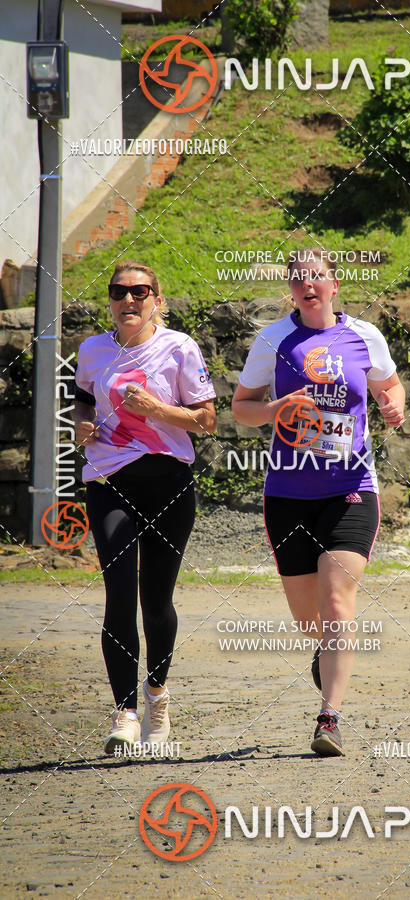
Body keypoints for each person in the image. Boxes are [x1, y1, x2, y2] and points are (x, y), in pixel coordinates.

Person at [232, 248, 405, 756]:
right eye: (298, 279)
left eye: (317, 277)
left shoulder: (365, 336)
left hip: (351, 488)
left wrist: (393, 406)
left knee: (336, 602)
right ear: (291, 290)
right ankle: (325, 654)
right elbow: (241, 408)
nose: (308, 285)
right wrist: (275, 408)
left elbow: (391, 387)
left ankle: (329, 718)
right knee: (311, 620)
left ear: (334, 284)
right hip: (288, 492)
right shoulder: (273, 339)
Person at [74, 260, 216, 755]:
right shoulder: (92, 350)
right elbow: (83, 400)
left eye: (139, 291)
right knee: (118, 595)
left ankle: (156, 693)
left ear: (157, 298)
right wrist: (81, 425)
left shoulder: (180, 347)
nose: (128, 300)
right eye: (119, 292)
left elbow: (207, 420)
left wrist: (156, 410)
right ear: (110, 300)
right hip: (109, 481)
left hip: (168, 485)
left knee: (155, 603)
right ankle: (126, 713)